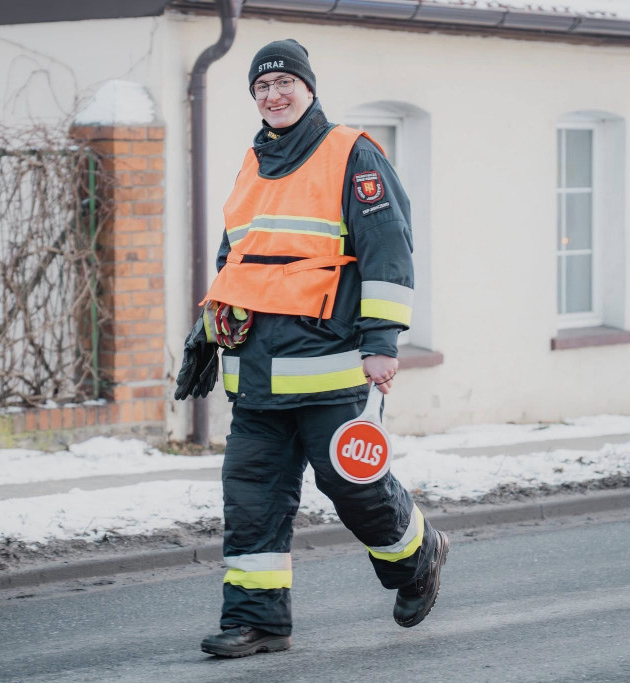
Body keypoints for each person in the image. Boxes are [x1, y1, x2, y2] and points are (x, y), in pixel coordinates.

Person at [175, 38, 449, 659]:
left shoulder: (352, 153)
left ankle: (418, 555)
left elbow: (388, 252)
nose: (273, 95)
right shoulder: (253, 162)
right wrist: (211, 325)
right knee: (250, 499)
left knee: (352, 488)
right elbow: (236, 259)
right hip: (258, 373)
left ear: (308, 86)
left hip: (331, 368)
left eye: (283, 83)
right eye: (261, 87)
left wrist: (382, 342)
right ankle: (258, 619)